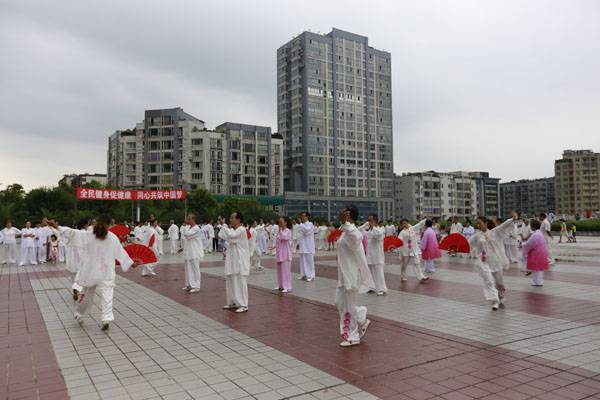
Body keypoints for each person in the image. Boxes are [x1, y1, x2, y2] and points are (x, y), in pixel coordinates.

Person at [45, 216, 138, 330]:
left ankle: (79, 314)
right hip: (106, 271)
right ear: (109, 225)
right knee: (107, 296)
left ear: (96, 223)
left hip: (90, 271)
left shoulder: (88, 235)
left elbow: (72, 233)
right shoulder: (112, 237)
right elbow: (120, 252)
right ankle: (106, 318)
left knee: (87, 295)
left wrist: (57, 227)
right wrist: (131, 263)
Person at [335, 205, 374, 347]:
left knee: (348, 307)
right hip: (343, 275)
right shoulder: (345, 232)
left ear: (349, 215)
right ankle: (361, 317)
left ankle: (353, 336)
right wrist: (343, 224)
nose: (341, 214)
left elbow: (355, 235)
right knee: (339, 303)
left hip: (350, 275)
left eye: (345, 212)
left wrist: (344, 222)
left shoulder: (355, 233)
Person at [469, 212, 519, 310]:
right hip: (484, 263)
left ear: (486, 223)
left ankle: (501, 295)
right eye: (477, 224)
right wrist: (456, 248)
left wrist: (513, 219)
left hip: (496, 262)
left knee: (499, 283)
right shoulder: (476, 236)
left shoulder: (495, 232)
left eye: (480, 223)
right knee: (489, 282)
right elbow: (467, 244)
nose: (478, 225)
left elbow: (503, 226)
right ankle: (494, 301)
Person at [219, 212, 250, 313]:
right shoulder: (234, 230)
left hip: (239, 260)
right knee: (231, 280)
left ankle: (243, 305)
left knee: (240, 282)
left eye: (232, 218)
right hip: (232, 260)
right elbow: (226, 238)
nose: (230, 220)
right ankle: (233, 302)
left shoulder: (241, 230)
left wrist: (223, 225)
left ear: (238, 219)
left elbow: (231, 236)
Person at [361, 214, 387, 295]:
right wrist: (363, 226)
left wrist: (373, 227)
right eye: (368, 220)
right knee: (371, 273)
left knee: (379, 273)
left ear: (375, 221)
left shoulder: (380, 229)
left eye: (370, 220)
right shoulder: (369, 231)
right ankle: (372, 287)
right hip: (370, 255)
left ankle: (382, 289)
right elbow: (360, 231)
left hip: (377, 256)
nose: (369, 222)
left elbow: (378, 236)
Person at [65, 218, 90, 300]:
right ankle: (79, 290)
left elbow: (67, 242)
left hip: (72, 257)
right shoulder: (86, 233)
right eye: (88, 223)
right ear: (85, 225)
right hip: (81, 256)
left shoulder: (74, 232)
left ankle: (75, 290)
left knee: (74, 275)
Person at [398, 218, 428, 283]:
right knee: (404, 265)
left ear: (407, 223)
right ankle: (403, 276)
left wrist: (425, 219)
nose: (404, 224)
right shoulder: (402, 232)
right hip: (405, 250)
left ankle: (421, 277)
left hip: (413, 250)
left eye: (405, 223)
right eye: (403, 223)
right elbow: (398, 241)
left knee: (417, 263)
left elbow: (419, 224)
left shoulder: (412, 228)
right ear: (401, 225)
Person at [180, 214, 204, 293]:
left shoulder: (196, 228)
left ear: (193, 219)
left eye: (189, 219)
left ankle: (197, 286)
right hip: (188, 252)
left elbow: (187, 235)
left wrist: (184, 227)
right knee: (188, 269)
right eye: (187, 219)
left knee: (195, 269)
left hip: (194, 252)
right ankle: (189, 285)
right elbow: (185, 235)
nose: (187, 221)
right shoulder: (188, 227)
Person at [522, 219, 549, 287]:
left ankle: (538, 282)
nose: (530, 227)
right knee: (539, 269)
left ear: (533, 227)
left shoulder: (535, 235)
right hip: (542, 252)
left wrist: (523, 244)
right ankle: (538, 282)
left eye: (531, 226)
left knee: (536, 268)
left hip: (536, 253)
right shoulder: (540, 233)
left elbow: (529, 244)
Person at [274, 217, 293, 293]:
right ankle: (280, 285)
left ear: (285, 223)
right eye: (279, 222)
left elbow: (284, 238)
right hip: (279, 253)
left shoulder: (288, 231)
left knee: (285, 270)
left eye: (281, 222)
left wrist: (280, 230)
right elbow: (278, 240)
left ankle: (287, 286)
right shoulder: (280, 231)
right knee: (279, 270)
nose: (280, 223)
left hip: (285, 253)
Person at [297, 212, 316, 282]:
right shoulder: (301, 225)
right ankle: (303, 275)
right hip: (303, 246)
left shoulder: (310, 224)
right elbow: (300, 234)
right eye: (301, 216)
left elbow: (306, 231)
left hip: (308, 246)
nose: (302, 217)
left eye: (303, 216)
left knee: (309, 261)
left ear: (307, 217)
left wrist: (300, 223)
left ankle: (311, 276)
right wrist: (298, 243)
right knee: (302, 261)